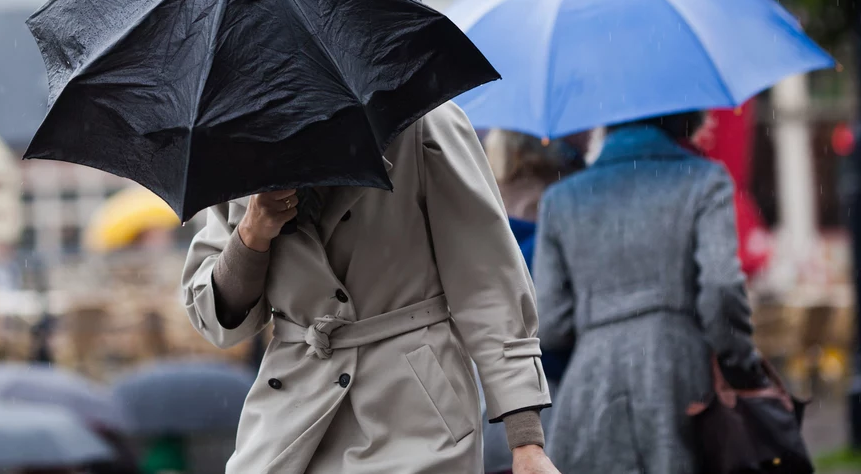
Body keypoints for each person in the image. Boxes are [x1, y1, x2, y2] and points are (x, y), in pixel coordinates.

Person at [182, 103, 560, 474]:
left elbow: (487, 281)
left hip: (416, 416)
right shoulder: (234, 144)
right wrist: (252, 234)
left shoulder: (422, 121)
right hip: (290, 420)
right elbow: (218, 321)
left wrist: (524, 438)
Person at [533, 112, 766, 473]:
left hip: (590, 386)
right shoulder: (703, 180)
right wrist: (741, 365)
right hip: (679, 377)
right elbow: (721, 288)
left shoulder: (561, 198)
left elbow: (549, 324)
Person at [479, 130, 588, 474]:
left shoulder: (480, 195)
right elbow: (555, 324)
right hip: (558, 398)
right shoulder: (573, 197)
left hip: (492, 399)